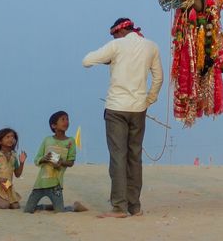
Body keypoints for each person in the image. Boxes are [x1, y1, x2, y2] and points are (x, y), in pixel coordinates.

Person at [82, 17, 163, 218]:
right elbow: (158, 77)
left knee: (118, 157)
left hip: (116, 108)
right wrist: (149, 99)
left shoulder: (116, 45)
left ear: (119, 31)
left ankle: (119, 206)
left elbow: (87, 61)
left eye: (113, 34)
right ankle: (134, 206)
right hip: (138, 108)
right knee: (135, 157)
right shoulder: (151, 46)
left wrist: (108, 59)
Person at [23, 111, 77, 213]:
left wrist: (61, 162)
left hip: (56, 184)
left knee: (60, 211)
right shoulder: (47, 140)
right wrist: (44, 158)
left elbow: (71, 162)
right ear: (54, 125)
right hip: (40, 183)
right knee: (28, 210)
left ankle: (73, 207)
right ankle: (44, 207)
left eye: (67, 119)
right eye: (63, 119)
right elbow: (37, 159)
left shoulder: (71, 141)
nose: (66, 122)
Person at [0, 127, 27, 209]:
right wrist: (0, 179)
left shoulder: (13, 156)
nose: (11, 139)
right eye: (7, 137)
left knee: (16, 206)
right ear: (0, 141)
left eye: (13, 137)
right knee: (4, 205)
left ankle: (5, 200)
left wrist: (22, 163)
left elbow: (17, 174)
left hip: (7, 187)